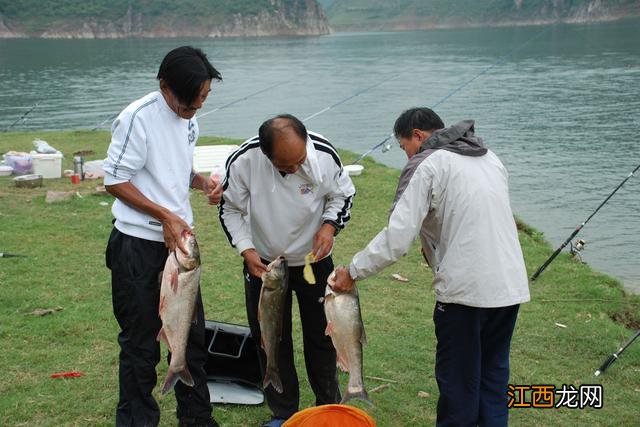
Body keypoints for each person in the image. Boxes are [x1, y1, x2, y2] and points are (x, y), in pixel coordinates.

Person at [330, 108, 530, 426]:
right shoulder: (489, 157)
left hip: (465, 295)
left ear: (419, 136)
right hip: (509, 288)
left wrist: (353, 270)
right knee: (492, 380)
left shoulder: (428, 163)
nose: (406, 154)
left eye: (403, 146)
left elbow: (398, 237)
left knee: (459, 385)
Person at [103, 46, 223, 427]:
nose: (197, 108)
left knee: (191, 337)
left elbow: (174, 171)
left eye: (204, 98)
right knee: (140, 344)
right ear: (164, 88)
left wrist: (202, 182)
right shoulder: (136, 119)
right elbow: (115, 180)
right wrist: (164, 216)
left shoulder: (189, 120)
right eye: (191, 102)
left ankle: (196, 419)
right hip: (137, 246)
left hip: (181, 247)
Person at [219, 114, 356, 427]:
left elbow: (342, 195)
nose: (296, 168)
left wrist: (329, 226)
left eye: (299, 160)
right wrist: (246, 250)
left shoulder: (323, 154)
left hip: (313, 262)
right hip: (265, 265)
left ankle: (327, 407)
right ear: (267, 156)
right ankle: (283, 413)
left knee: (322, 337)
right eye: (286, 165)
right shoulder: (244, 161)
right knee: (270, 338)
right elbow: (230, 209)